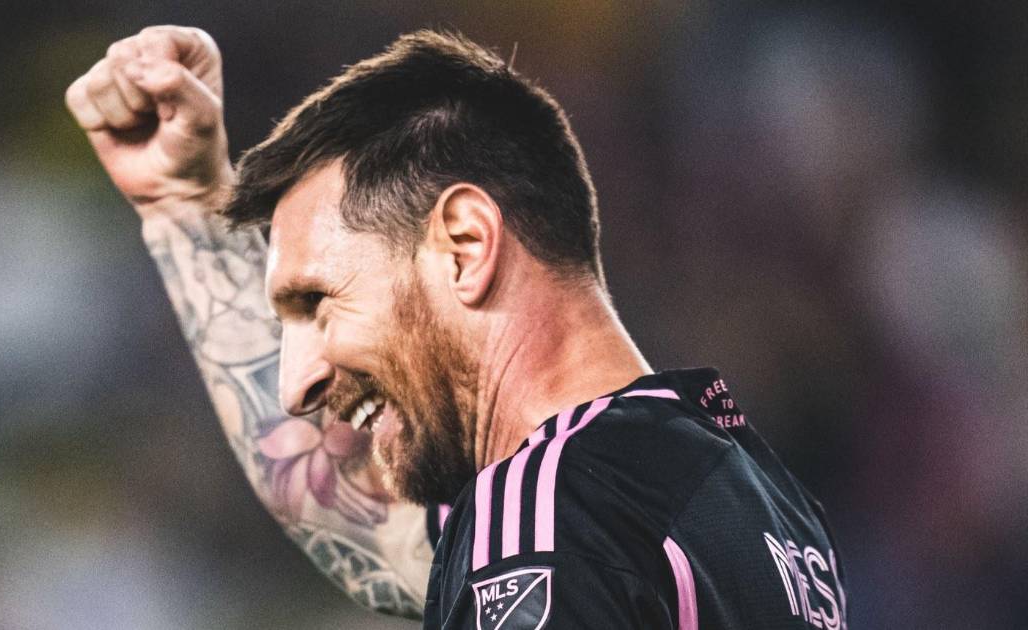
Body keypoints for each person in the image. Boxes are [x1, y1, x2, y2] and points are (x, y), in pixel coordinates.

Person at [67, 25, 849, 629]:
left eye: (320, 302)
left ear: (466, 246)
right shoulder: (750, 497)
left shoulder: (545, 507)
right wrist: (183, 203)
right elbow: (370, 529)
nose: (296, 383)